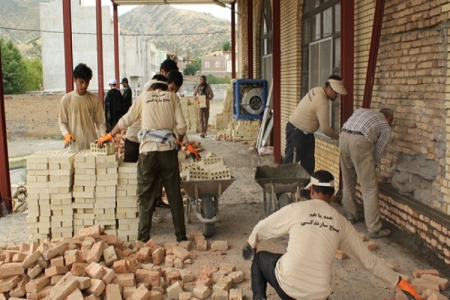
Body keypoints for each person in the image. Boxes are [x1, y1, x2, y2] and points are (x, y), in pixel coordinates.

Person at [242, 170, 422, 300]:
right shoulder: (341, 222)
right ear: (333, 195)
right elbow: (369, 261)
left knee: (259, 260)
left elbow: (261, 227)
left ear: (311, 190)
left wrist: (251, 242)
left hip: (288, 289)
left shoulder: (296, 209)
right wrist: (401, 283)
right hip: (319, 295)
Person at [97, 74, 188, 243]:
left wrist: (109, 135)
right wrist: (180, 141)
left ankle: (143, 238)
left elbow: (126, 120)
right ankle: (181, 237)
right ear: (165, 87)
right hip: (168, 153)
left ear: (152, 88)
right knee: (174, 195)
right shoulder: (173, 97)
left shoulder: (144, 97)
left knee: (145, 197)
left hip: (147, 153)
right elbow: (181, 126)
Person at [340, 108, 394, 239]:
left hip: (343, 137)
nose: (391, 124)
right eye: (391, 122)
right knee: (369, 188)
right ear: (389, 118)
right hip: (359, 141)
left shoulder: (362, 112)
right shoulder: (385, 125)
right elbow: (378, 151)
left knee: (348, 181)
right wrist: (371, 166)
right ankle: (374, 229)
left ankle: (351, 215)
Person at [283, 75, 347, 174]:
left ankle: (305, 189)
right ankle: (285, 188)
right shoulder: (321, 101)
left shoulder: (317, 89)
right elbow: (325, 129)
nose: (337, 96)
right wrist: (338, 137)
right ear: (329, 88)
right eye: (336, 92)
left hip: (306, 134)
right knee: (291, 165)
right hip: (297, 132)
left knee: (308, 166)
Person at [58, 63, 106, 151]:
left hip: (91, 146)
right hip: (73, 146)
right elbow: (62, 122)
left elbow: (100, 122)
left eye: (87, 82)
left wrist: (103, 137)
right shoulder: (66, 100)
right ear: (75, 80)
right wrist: (66, 134)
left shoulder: (94, 100)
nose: (84, 85)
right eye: (81, 82)